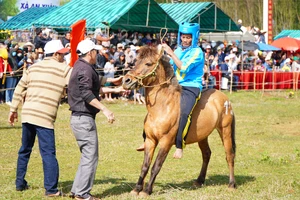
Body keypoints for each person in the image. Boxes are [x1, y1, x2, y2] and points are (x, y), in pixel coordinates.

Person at [8, 40, 70, 197]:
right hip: (45, 117)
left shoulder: (33, 67)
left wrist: (13, 109)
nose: (64, 56)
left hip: (28, 114)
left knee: (24, 150)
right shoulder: (64, 69)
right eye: (62, 54)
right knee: (48, 153)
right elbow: (77, 85)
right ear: (55, 54)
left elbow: (19, 89)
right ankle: (51, 190)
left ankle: (19, 183)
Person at [137, 22, 205, 159]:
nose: (185, 40)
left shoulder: (197, 52)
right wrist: (160, 52)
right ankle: (146, 139)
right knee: (154, 109)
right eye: (183, 37)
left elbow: (183, 67)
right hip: (174, 84)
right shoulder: (179, 50)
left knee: (184, 112)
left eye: (188, 37)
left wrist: (171, 53)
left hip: (191, 86)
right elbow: (169, 64)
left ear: (194, 37)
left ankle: (179, 146)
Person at [68, 39, 115, 200]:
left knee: (86, 156)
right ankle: (82, 194)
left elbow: (96, 86)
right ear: (90, 53)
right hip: (83, 118)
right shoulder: (85, 70)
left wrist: (118, 86)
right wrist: (105, 109)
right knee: (90, 157)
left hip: (80, 118)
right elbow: (87, 94)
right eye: (96, 51)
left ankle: (77, 191)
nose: (98, 53)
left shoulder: (82, 66)